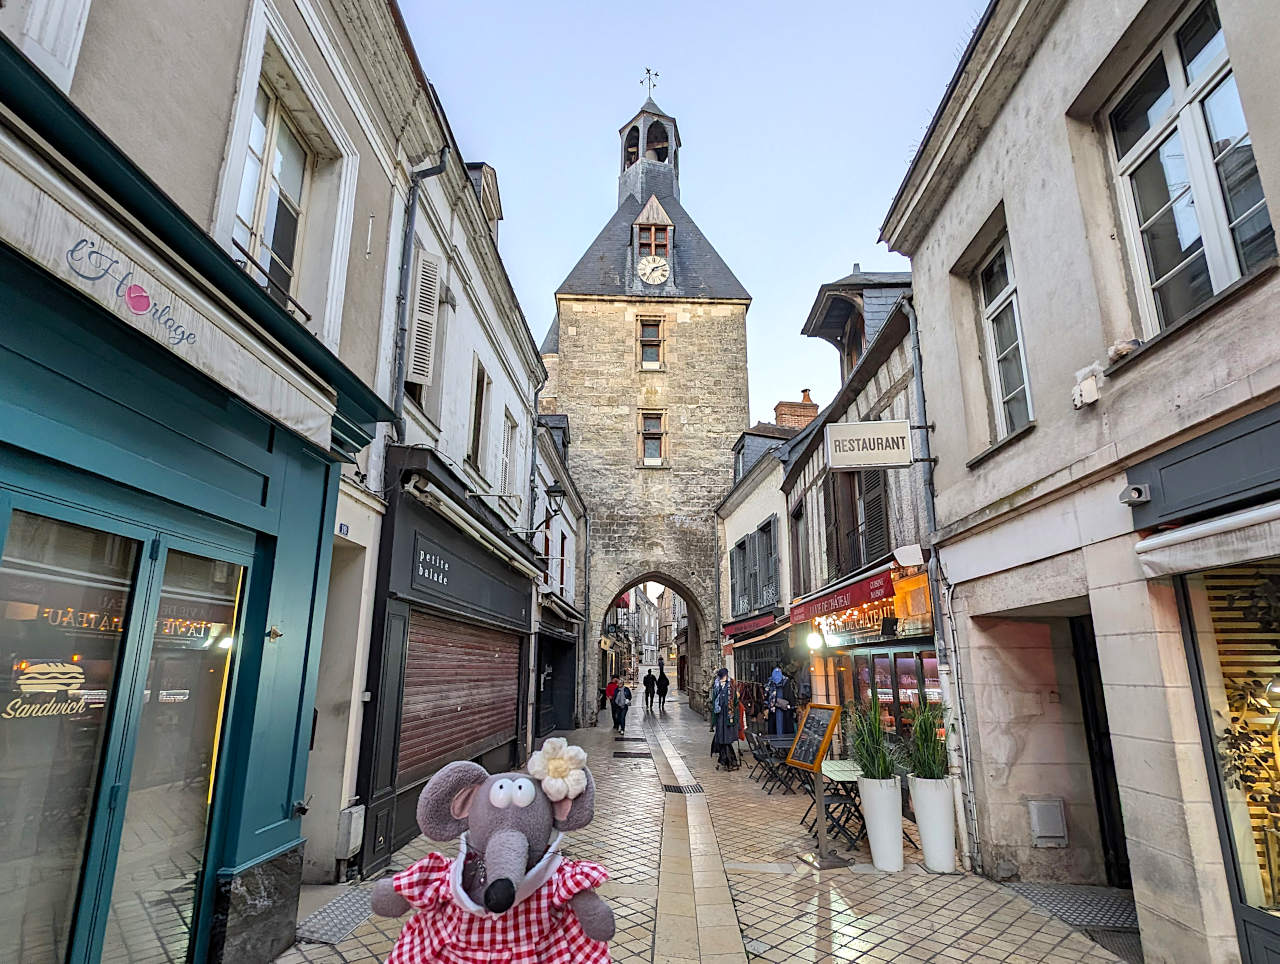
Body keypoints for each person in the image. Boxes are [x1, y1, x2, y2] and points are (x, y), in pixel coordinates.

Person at [710, 668, 738, 770]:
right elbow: (714, 702)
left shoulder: (731, 686)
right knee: (722, 739)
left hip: (728, 717)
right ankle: (728, 761)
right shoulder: (717, 686)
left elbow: (735, 702)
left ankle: (729, 761)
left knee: (726, 739)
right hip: (720, 716)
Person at [766, 666, 794, 736]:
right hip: (777, 710)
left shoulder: (771, 682)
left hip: (781, 710)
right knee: (777, 728)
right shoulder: (771, 682)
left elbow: (767, 696)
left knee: (782, 727)